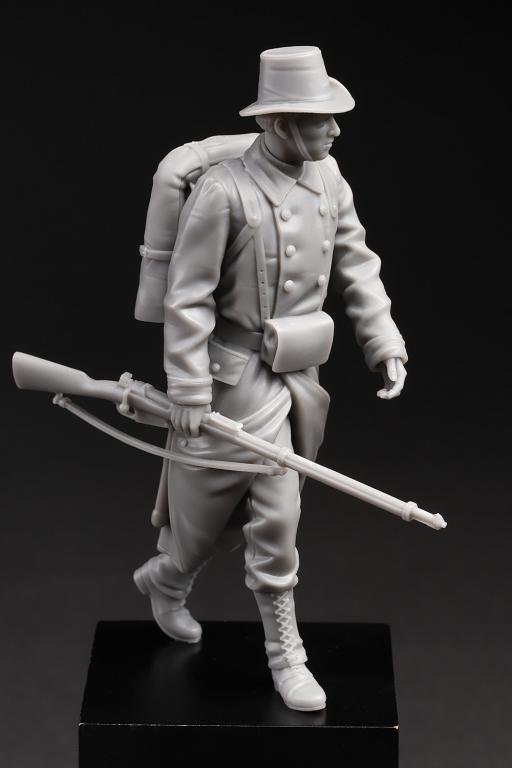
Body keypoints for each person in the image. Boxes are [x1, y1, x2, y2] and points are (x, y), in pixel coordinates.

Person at [134, 45, 407, 712]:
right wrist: (189, 388)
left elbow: (358, 262)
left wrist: (383, 340)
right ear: (282, 123)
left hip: (297, 377)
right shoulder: (224, 192)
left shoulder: (329, 179)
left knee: (270, 516)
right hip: (233, 380)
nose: (334, 130)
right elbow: (188, 296)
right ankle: (177, 583)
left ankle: (273, 646)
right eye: (320, 119)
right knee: (212, 521)